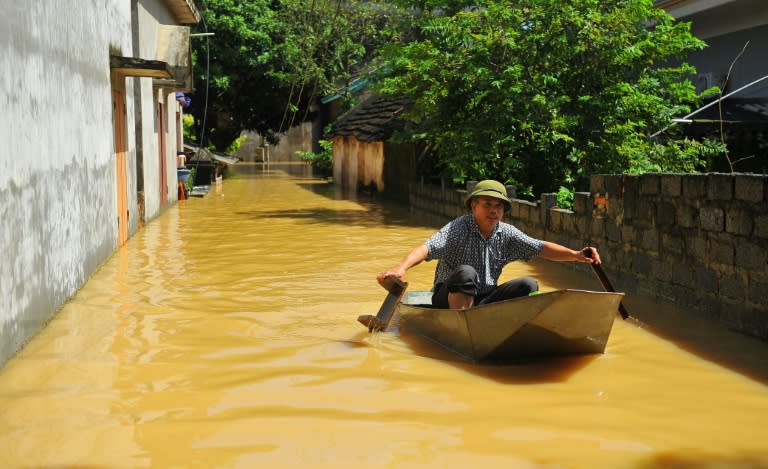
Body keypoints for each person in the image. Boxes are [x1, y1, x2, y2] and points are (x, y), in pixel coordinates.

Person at [376, 179, 602, 310]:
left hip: (484, 298)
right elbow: (427, 248)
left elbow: (540, 247)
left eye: (498, 206)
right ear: (474, 206)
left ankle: (494, 324)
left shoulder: (507, 233)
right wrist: (401, 268)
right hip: (447, 298)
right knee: (466, 273)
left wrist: (576, 255)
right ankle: (461, 325)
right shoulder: (458, 228)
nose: (493, 210)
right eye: (487, 204)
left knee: (528, 285)